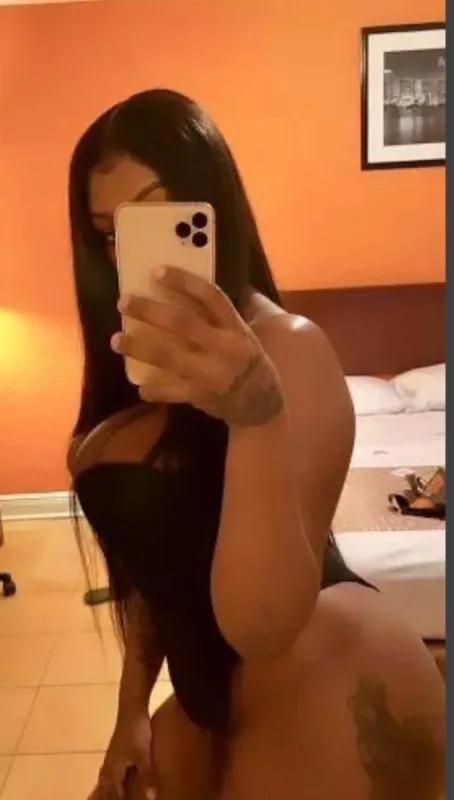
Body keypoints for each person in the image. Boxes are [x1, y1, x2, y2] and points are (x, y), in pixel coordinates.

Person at [68, 89, 445, 800]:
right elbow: (154, 566)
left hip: (321, 676)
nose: (132, 255)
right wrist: (130, 710)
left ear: (212, 211)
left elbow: (262, 627)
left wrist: (256, 419)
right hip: (209, 699)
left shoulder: (288, 350)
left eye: (157, 218)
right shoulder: (130, 366)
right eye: (111, 234)